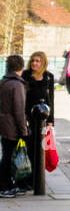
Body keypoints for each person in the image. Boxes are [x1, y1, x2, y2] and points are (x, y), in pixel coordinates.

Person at [1, 54, 29, 198]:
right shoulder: (17, 85)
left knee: (6, 155)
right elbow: (19, 110)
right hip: (12, 126)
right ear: (21, 67)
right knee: (9, 157)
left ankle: (8, 184)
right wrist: (23, 130)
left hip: (4, 124)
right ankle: (5, 186)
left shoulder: (4, 82)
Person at [23, 50, 55, 143]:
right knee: (29, 143)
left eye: (37, 61)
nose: (34, 63)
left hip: (43, 115)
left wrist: (50, 120)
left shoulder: (48, 77)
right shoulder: (25, 75)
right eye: (32, 61)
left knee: (41, 146)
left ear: (43, 62)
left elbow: (50, 99)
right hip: (28, 115)